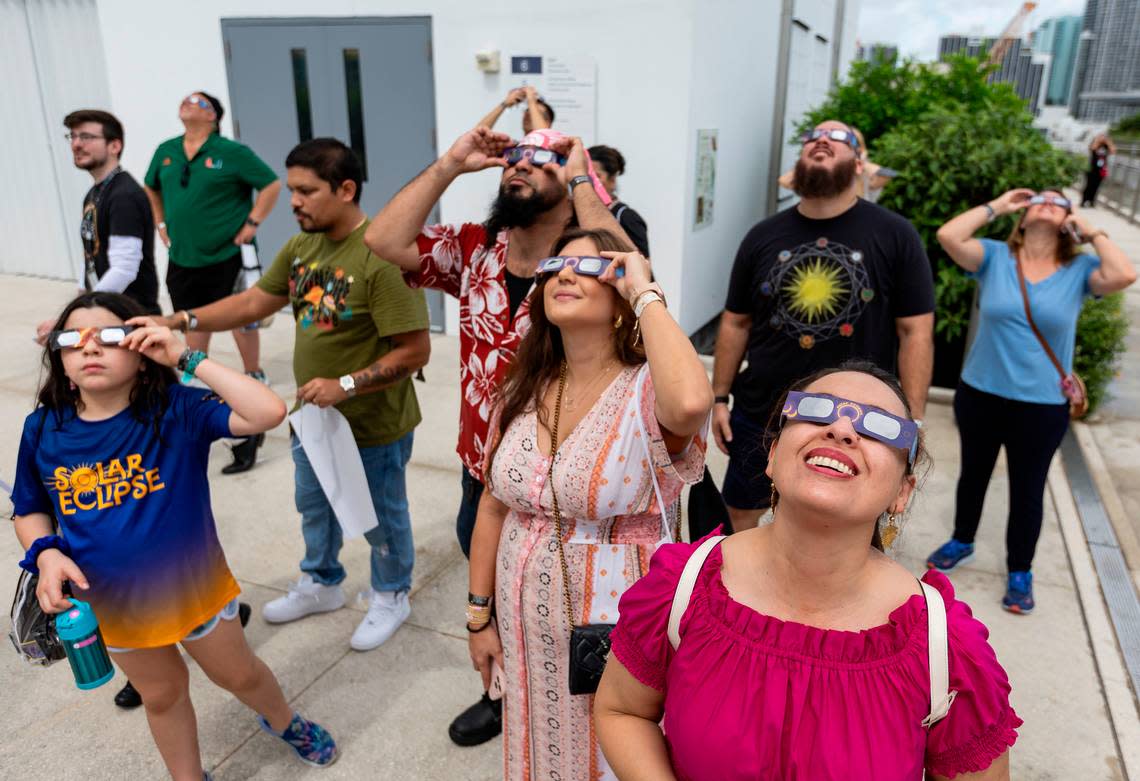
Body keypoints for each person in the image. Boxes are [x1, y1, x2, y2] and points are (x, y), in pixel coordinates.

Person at [596, 363, 1021, 781]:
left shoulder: (944, 647)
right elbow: (623, 710)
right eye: (817, 410)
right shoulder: (681, 588)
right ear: (774, 455)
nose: (842, 430)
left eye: (880, 427)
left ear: (902, 492)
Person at [365, 125, 629, 746]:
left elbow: (622, 255)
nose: (519, 165)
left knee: (569, 601)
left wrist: (581, 180)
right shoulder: (476, 247)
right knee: (495, 588)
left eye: (542, 161)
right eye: (513, 157)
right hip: (482, 469)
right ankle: (502, 690)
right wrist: (452, 164)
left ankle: (590, 705)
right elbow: (382, 240)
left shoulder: (586, 266)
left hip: (570, 475)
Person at [12, 292, 338, 779]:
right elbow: (30, 508)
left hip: (194, 592)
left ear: (143, 353)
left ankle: (285, 721)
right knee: (161, 696)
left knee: (239, 674)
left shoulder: (176, 410)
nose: (90, 349)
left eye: (108, 337)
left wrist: (186, 357)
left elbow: (267, 412)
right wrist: (44, 554)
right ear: (59, 358)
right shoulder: (43, 429)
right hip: (114, 605)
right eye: (73, 340)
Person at [155, 138, 431, 651]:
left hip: (373, 424)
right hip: (313, 419)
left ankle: (391, 592)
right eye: (292, 191)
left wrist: (345, 384)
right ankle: (322, 582)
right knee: (315, 505)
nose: (295, 202)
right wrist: (181, 319)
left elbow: (415, 352)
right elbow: (256, 300)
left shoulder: (382, 255)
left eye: (307, 191)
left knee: (380, 514)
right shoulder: (303, 247)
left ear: (346, 190)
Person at [466, 227, 711, 780]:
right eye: (555, 265)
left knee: (611, 750)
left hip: (617, 618)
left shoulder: (646, 389)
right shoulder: (524, 385)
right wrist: (479, 617)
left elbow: (694, 401)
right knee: (538, 742)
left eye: (590, 266)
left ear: (621, 297)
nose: (565, 274)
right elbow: (492, 504)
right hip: (522, 616)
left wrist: (645, 291)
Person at [712, 119, 935, 533]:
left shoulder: (896, 235)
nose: (821, 141)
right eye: (813, 137)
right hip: (763, 410)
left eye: (838, 138)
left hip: (859, 422)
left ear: (859, 162)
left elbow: (915, 332)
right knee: (740, 514)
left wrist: (913, 422)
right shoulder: (762, 235)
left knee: (850, 524)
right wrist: (720, 397)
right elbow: (735, 322)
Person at [926, 188, 1136, 612]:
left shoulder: (1080, 269)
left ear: (1068, 219)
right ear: (1022, 217)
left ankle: (1020, 570)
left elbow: (1125, 274)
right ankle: (962, 539)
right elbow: (948, 236)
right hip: (980, 392)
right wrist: (998, 206)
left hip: (1040, 405)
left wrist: (1091, 230)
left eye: (1058, 202)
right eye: (1037, 199)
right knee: (974, 473)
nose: (1046, 202)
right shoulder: (993, 257)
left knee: (1028, 488)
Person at [143, 91, 282, 475]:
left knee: (239, 316)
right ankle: (194, 375)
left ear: (214, 117)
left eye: (199, 102)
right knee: (190, 318)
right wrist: (160, 222)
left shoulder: (231, 152)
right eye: (185, 100)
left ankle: (253, 373)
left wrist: (252, 223)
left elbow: (270, 184)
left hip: (226, 254)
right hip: (183, 257)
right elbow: (150, 186)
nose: (188, 104)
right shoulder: (166, 150)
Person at [778, 126, 898, 204]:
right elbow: (784, 181)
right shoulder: (826, 174)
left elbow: (888, 175)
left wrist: (859, 159)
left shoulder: (867, 176)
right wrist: (808, 163)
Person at [589, 144, 651, 257]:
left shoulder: (626, 217)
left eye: (596, 176)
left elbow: (643, 265)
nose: (588, 182)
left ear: (612, 179)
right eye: (585, 176)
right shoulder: (576, 213)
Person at [477, 85, 554, 136]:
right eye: (527, 111)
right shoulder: (511, 148)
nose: (528, 115)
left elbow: (543, 136)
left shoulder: (554, 150)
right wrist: (504, 104)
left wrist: (531, 101)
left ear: (548, 123)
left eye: (535, 112)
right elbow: (477, 133)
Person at [1081, 133, 1116, 207]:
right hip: (1092, 169)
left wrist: (1108, 141)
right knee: (1088, 186)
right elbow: (1092, 148)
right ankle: (1084, 201)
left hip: (1101, 170)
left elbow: (1113, 151)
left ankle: (1092, 202)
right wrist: (1097, 140)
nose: (1102, 138)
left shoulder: (1106, 146)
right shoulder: (1095, 144)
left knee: (1096, 187)